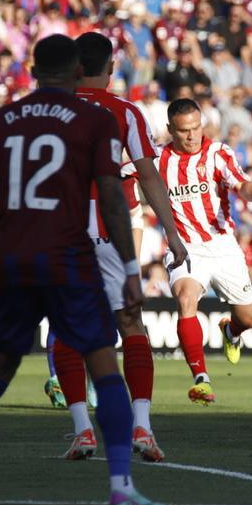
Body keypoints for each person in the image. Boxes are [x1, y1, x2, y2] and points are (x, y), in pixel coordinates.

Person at [0, 34, 162, 505]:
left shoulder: (2, 120)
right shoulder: (95, 119)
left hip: (13, 258)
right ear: (78, 69)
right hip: (68, 254)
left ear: (34, 70)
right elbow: (114, 200)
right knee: (104, 362)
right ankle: (121, 487)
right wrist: (130, 268)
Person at [44, 32, 188, 463]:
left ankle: (83, 431)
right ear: (109, 68)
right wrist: (173, 233)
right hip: (110, 228)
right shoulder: (125, 112)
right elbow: (147, 176)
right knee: (130, 323)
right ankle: (141, 425)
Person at [159, 98, 252, 406]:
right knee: (186, 299)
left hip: (223, 246)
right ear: (171, 130)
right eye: (184, 130)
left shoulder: (218, 153)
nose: (192, 136)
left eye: (196, 128)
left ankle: (231, 330)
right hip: (185, 248)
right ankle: (201, 379)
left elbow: (242, 184)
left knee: (249, 319)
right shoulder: (157, 159)